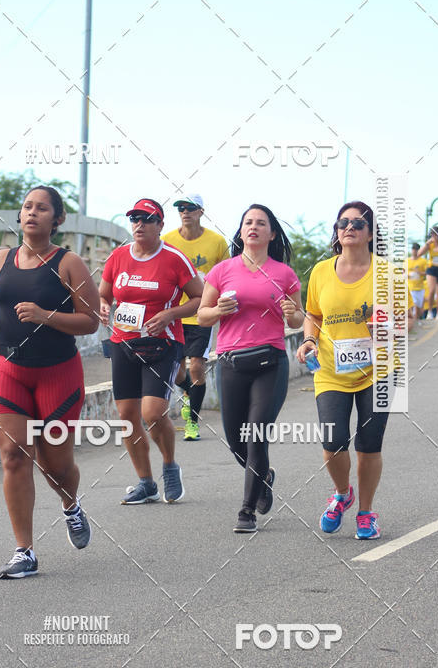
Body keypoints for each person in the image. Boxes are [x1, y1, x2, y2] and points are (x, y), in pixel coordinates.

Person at [0, 186, 100, 579]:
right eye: (27, 207)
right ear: (19, 216)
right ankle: (25, 551)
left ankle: (70, 505)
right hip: (6, 369)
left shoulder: (69, 264)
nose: (32, 213)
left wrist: (45, 315)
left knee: (56, 466)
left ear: (58, 219)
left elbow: (91, 321)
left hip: (57, 374)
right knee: (14, 456)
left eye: (42, 208)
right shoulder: (0, 260)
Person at [296, 201, 414, 541]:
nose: (349, 227)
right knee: (333, 442)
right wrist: (308, 340)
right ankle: (341, 493)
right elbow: (313, 314)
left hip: (378, 371)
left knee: (369, 444)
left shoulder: (388, 273)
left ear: (371, 232)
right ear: (336, 231)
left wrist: (388, 329)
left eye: (358, 223)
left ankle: (365, 512)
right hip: (332, 370)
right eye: (343, 222)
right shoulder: (320, 271)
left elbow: (408, 318)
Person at [197, 204, 302, 533]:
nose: (253, 227)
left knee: (256, 434)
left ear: (272, 233)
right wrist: (217, 309)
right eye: (248, 222)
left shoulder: (284, 273)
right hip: (230, 362)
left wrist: (290, 311)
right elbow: (201, 315)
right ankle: (264, 477)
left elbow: (300, 319)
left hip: (270, 362)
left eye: (261, 223)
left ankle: (246, 511)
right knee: (235, 438)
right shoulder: (222, 270)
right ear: (241, 232)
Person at [99, 198, 203, 504]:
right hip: (123, 343)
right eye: (134, 218)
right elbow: (104, 294)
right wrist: (104, 307)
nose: (139, 224)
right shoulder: (118, 256)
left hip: (163, 344)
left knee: (153, 413)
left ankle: (170, 465)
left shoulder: (174, 259)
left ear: (160, 224)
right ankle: (146, 483)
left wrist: (171, 314)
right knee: (127, 416)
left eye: (147, 219)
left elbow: (200, 298)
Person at [163, 194, 228, 441]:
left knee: (198, 366)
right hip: (176, 313)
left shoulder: (217, 241)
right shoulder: (167, 240)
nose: (185, 212)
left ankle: (192, 423)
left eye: (190, 208)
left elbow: (226, 274)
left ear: (201, 211)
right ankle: (190, 395)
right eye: (180, 208)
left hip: (202, 312)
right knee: (177, 372)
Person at [417, 226, 438, 320]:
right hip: (431, 269)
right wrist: (426, 244)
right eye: (432, 234)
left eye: (435, 234)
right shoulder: (430, 244)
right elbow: (419, 254)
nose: (433, 236)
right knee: (432, 290)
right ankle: (429, 312)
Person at [408, 243, 427, 324]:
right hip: (410, 286)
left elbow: (427, 273)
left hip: (419, 287)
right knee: (412, 304)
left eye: (416, 249)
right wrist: (407, 275)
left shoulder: (423, 261)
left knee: (418, 305)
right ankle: (413, 320)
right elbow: (402, 271)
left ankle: (417, 318)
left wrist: (420, 273)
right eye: (413, 249)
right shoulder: (407, 261)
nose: (414, 251)